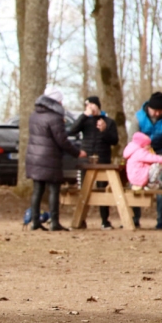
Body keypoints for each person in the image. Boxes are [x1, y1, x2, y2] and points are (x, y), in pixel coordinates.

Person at [25, 86, 86, 231]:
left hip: (34, 157)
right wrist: (77, 153)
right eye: (60, 101)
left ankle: (35, 221)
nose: (61, 104)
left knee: (37, 189)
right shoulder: (55, 117)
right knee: (54, 189)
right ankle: (54, 222)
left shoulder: (34, 115)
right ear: (56, 102)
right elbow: (62, 140)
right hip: (50, 158)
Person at [68, 96, 119, 229]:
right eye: (88, 106)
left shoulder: (108, 121)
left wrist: (104, 131)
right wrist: (84, 115)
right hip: (86, 160)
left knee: (103, 190)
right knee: (84, 190)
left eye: (92, 105)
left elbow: (114, 141)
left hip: (103, 160)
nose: (90, 108)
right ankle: (81, 219)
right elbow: (72, 130)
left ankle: (104, 220)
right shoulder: (84, 121)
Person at [133, 92, 162, 228]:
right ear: (149, 108)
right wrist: (142, 150)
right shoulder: (138, 118)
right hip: (142, 154)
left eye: (159, 111)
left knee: (160, 183)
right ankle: (134, 218)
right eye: (154, 110)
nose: (157, 113)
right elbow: (132, 139)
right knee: (134, 184)